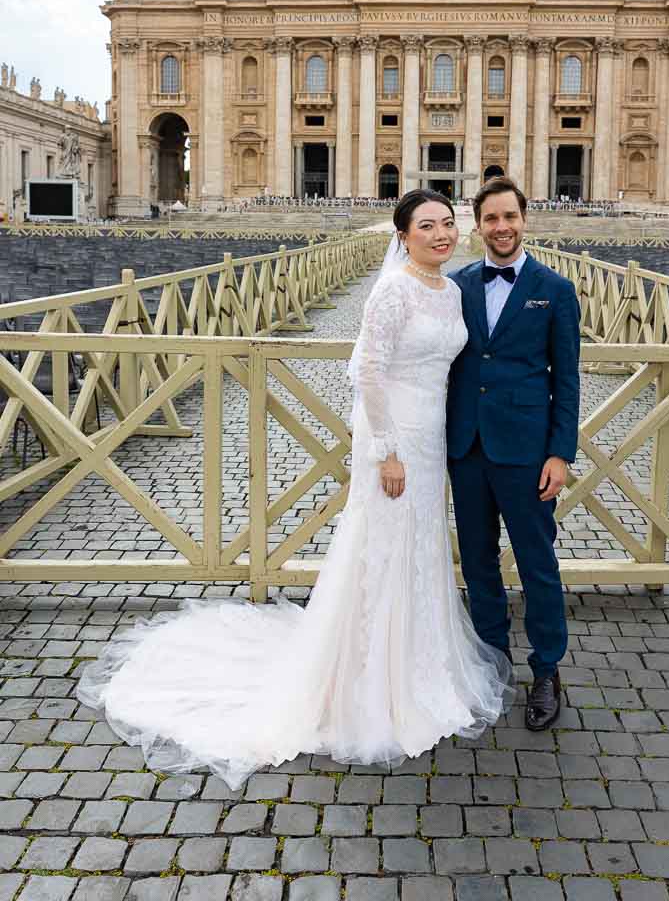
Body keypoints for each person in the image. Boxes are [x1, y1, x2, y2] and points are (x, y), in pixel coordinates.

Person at [77, 190, 514, 787]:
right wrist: (385, 449)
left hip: (433, 433)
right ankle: (366, 676)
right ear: (403, 234)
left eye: (447, 223)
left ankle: (417, 660)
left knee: (420, 542)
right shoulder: (391, 289)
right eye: (427, 226)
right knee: (380, 543)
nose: (442, 234)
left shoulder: (452, 289)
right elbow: (366, 370)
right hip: (393, 437)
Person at [446, 176, 580, 732]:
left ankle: (546, 669)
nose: (501, 228)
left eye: (510, 218)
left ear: (525, 221)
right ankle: (491, 658)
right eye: (491, 219)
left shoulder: (556, 288)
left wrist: (561, 453)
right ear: (477, 227)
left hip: (527, 451)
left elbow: (567, 379)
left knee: (537, 563)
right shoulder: (454, 286)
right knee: (477, 560)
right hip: (468, 447)